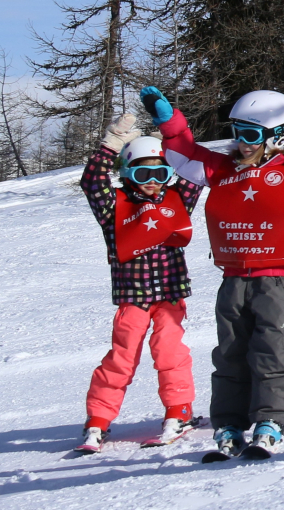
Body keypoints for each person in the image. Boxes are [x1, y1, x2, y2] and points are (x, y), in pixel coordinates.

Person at [139, 84, 284, 459]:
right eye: (236, 133)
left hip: (277, 276)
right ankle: (228, 422)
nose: (240, 144)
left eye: (249, 135)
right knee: (229, 352)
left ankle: (270, 420)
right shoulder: (222, 169)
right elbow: (181, 156)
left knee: (272, 349)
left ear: (278, 137)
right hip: (233, 276)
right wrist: (169, 122)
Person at [74, 113, 202, 452]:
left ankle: (179, 411)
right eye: (143, 173)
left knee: (170, 353)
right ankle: (98, 420)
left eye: (160, 173)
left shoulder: (177, 200)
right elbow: (92, 182)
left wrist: (174, 136)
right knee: (122, 357)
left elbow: (195, 172)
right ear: (128, 174)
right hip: (133, 297)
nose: (152, 182)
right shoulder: (115, 206)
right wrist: (111, 143)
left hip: (171, 296)